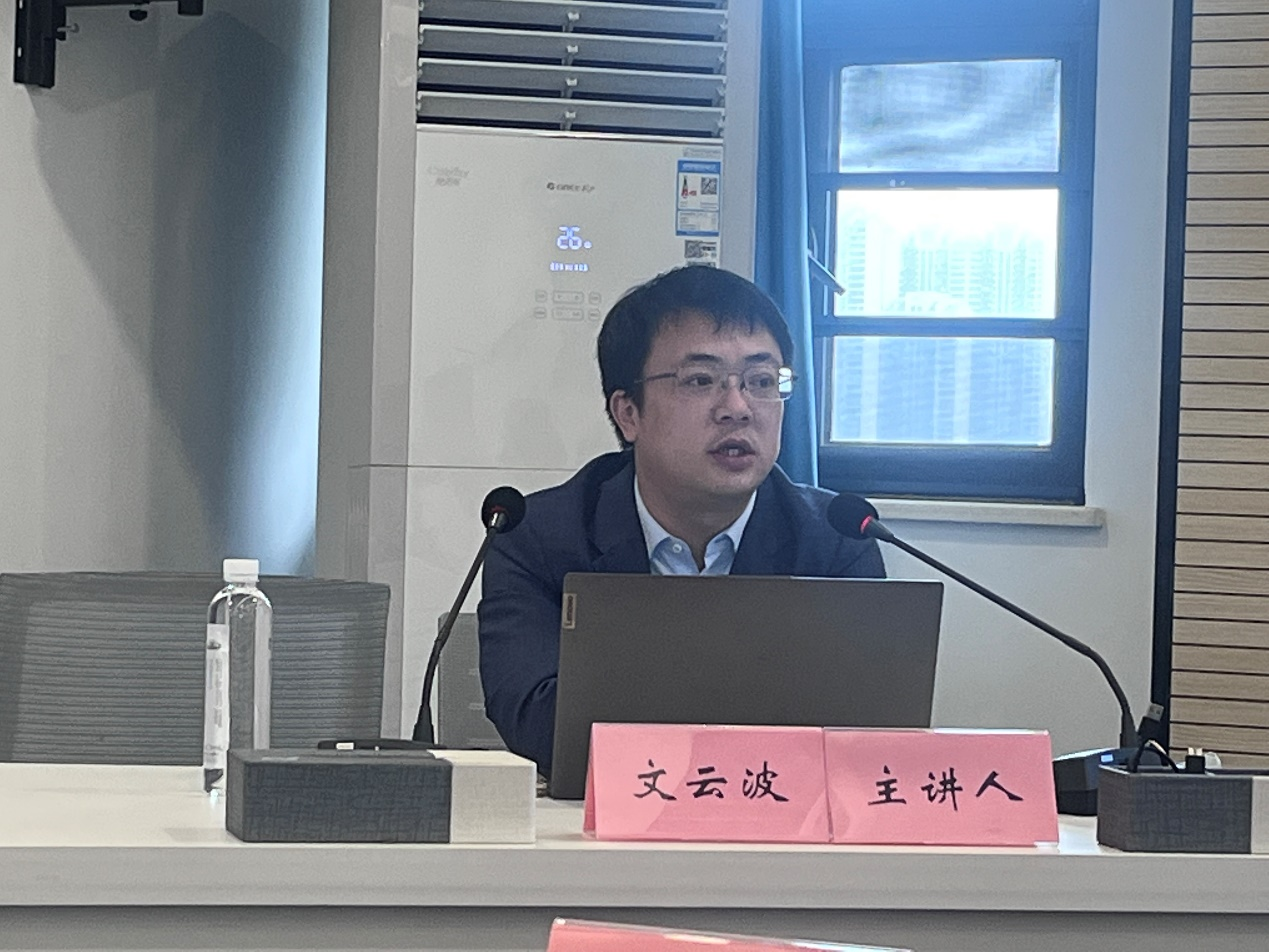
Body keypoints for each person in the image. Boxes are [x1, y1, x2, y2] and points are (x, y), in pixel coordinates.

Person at [477, 266, 885, 773]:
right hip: (604, 816)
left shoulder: (837, 539)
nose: (737, 408)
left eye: (761, 381)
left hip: (776, 812)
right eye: (700, 380)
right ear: (629, 413)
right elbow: (537, 721)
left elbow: (861, 731)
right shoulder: (536, 536)